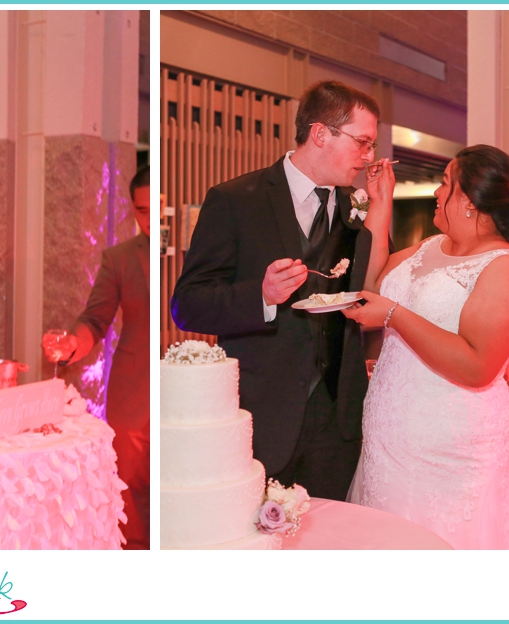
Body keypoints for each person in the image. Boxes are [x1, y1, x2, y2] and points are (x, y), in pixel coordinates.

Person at [170, 80, 383, 501]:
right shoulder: (235, 200)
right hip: (263, 413)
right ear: (321, 134)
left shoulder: (356, 209)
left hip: (337, 419)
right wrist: (261, 296)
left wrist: (382, 206)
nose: (369, 156)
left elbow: (369, 289)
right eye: (362, 142)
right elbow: (187, 305)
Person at [342, 146, 509, 549]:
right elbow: (371, 285)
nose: (436, 194)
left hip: (450, 445)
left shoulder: (504, 266)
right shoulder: (428, 246)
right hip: (391, 434)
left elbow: (479, 367)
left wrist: (395, 317)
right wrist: (381, 200)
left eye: (444, 184)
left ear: (469, 201)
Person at [42, 165, 150, 549]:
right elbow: (95, 319)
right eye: (141, 210)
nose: (149, 219)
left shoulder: (203, 249)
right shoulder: (119, 258)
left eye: (156, 208)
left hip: (193, 383)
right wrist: (74, 343)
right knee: (130, 484)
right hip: (135, 387)